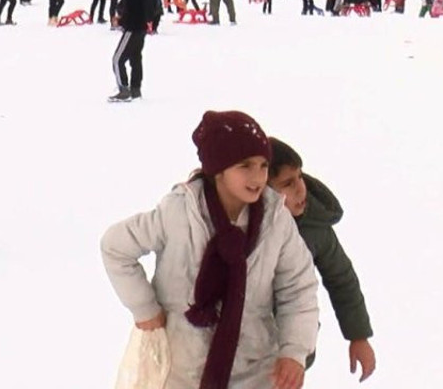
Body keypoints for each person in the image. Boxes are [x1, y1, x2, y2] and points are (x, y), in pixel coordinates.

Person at [101, 111, 318, 389]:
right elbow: (115, 246)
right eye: (245, 165)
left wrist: (294, 351)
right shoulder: (179, 211)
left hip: (254, 370)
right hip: (183, 370)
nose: (257, 176)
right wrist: (145, 309)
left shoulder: (276, 221)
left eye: (263, 165)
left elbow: (298, 287)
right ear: (218, 169)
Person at [267, 138, 377, 381]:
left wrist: (358, 335)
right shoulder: (242, 227)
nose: (300, 188)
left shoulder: (314, 228)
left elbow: (342, 279)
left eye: (300, 177)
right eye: (287, 183)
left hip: (291, 353)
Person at [110, 0, 148, 103]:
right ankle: (135, 88)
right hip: (141, 29)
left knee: (117, 59)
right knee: (135, 58)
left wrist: (120, 21)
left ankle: (123, 89)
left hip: (132, 30)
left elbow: (130, 13)